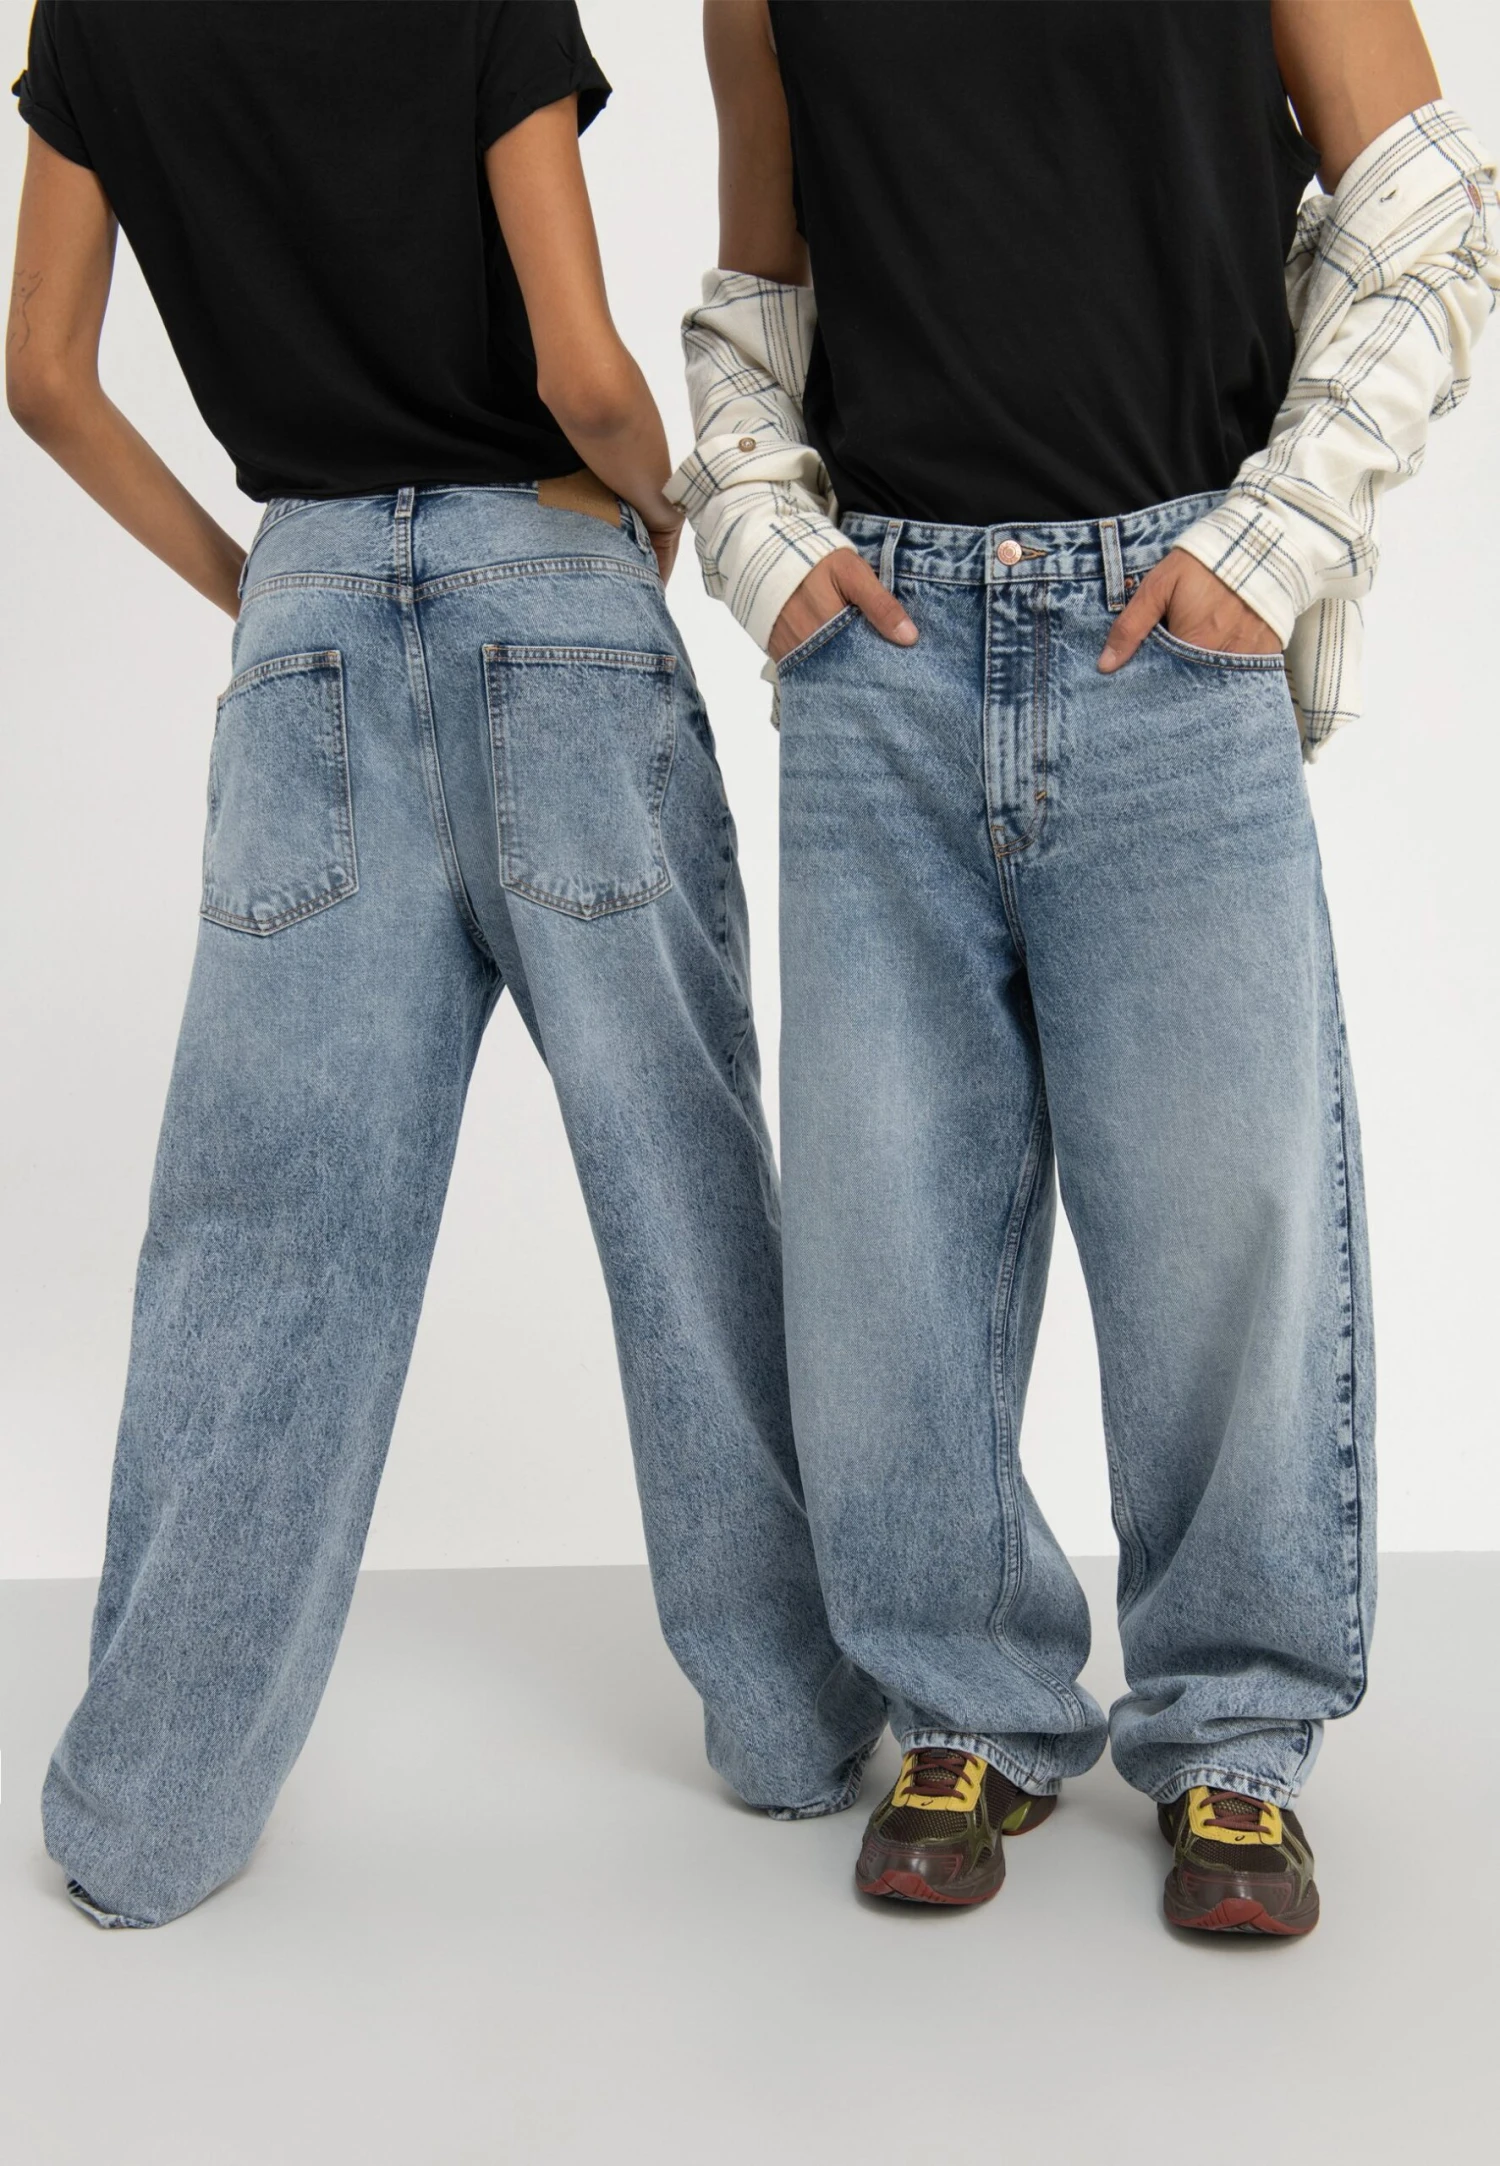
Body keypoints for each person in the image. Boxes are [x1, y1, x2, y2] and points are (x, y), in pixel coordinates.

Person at [7, 0, 884, 1930]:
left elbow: (45, 379)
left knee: (263, 1235)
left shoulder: (95, 15)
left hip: (308, 622)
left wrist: (259, 583)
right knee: (686, 1195)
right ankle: (792, 1730)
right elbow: (579, 367)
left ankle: (146, 1817)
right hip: (550, 599)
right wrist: (656, 506)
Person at [668, 0, 1498, 1932]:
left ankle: (1237, 1736)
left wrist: (1274, 542)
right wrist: (765, 537)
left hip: (1172, 634)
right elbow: (759, 310)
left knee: (1229, 1218)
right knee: (885, 1230)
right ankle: (961, 1704)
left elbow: (1437, 215)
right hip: (884, 649)